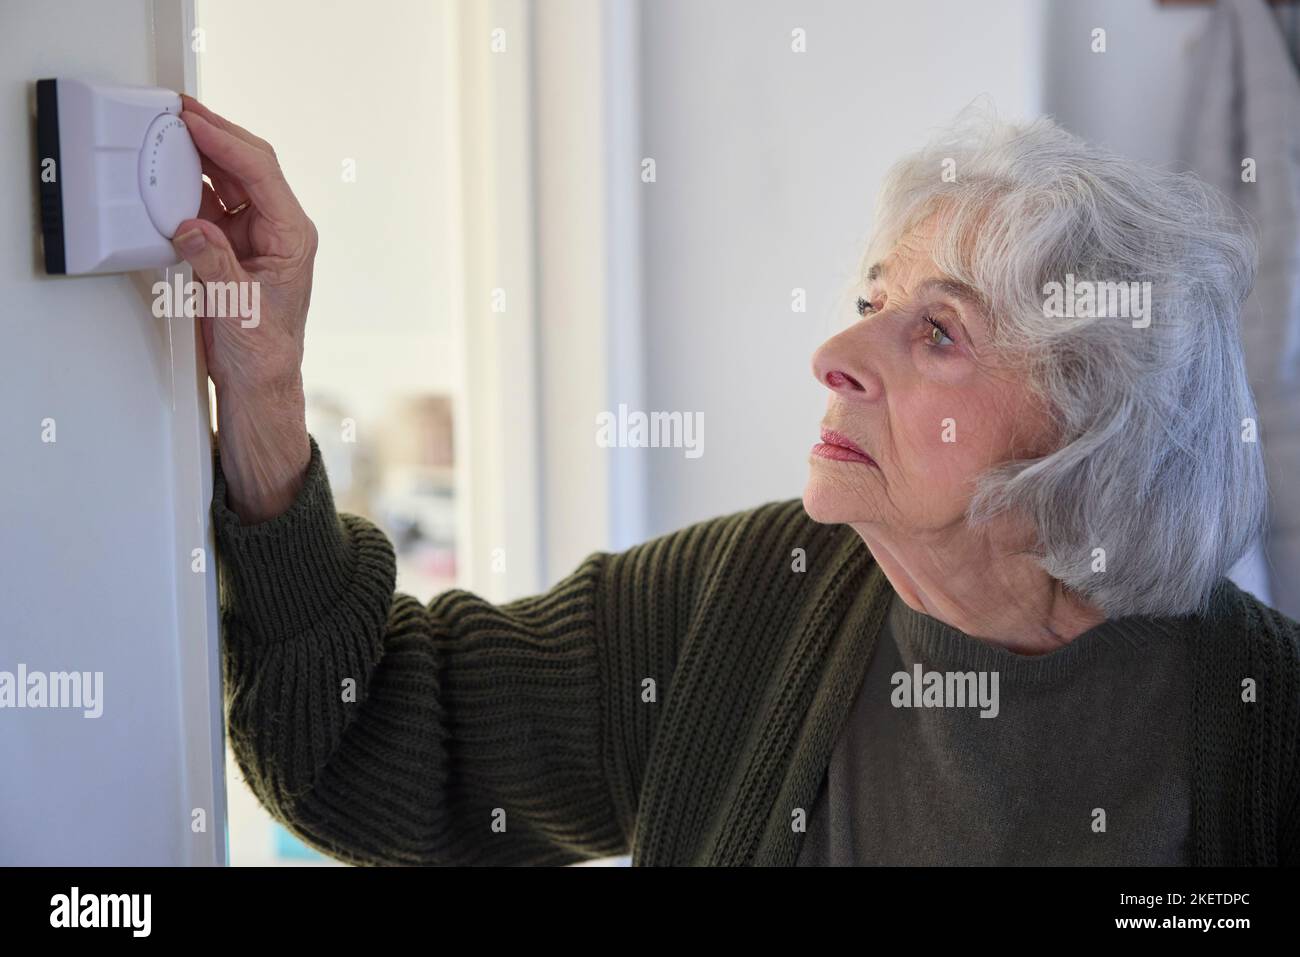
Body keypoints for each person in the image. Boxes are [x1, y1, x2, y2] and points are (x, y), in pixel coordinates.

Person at [174, 95, 1300, 866]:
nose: (836, 356)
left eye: (939, 332)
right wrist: (267, 397)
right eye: (872, 303)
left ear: (1086, 419)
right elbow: (363, 746)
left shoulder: (1267, 727)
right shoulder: (745, 602)